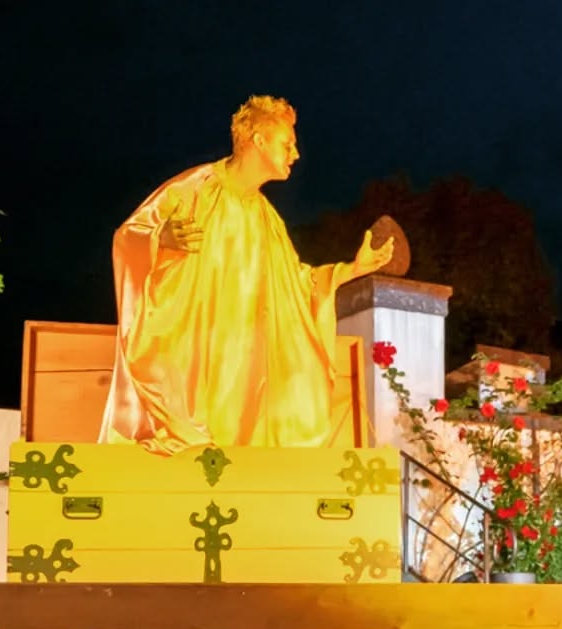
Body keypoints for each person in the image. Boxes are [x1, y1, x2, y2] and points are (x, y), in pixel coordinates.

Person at [100, 95, 395, 454]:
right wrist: (159, 237)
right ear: (258, 140)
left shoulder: (266, 218)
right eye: (287, 144)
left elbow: (295, 287)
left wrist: (354, 269)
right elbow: (128, 238)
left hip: (240, 381)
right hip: (189, 376)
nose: (295, 154)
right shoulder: (194, 189)